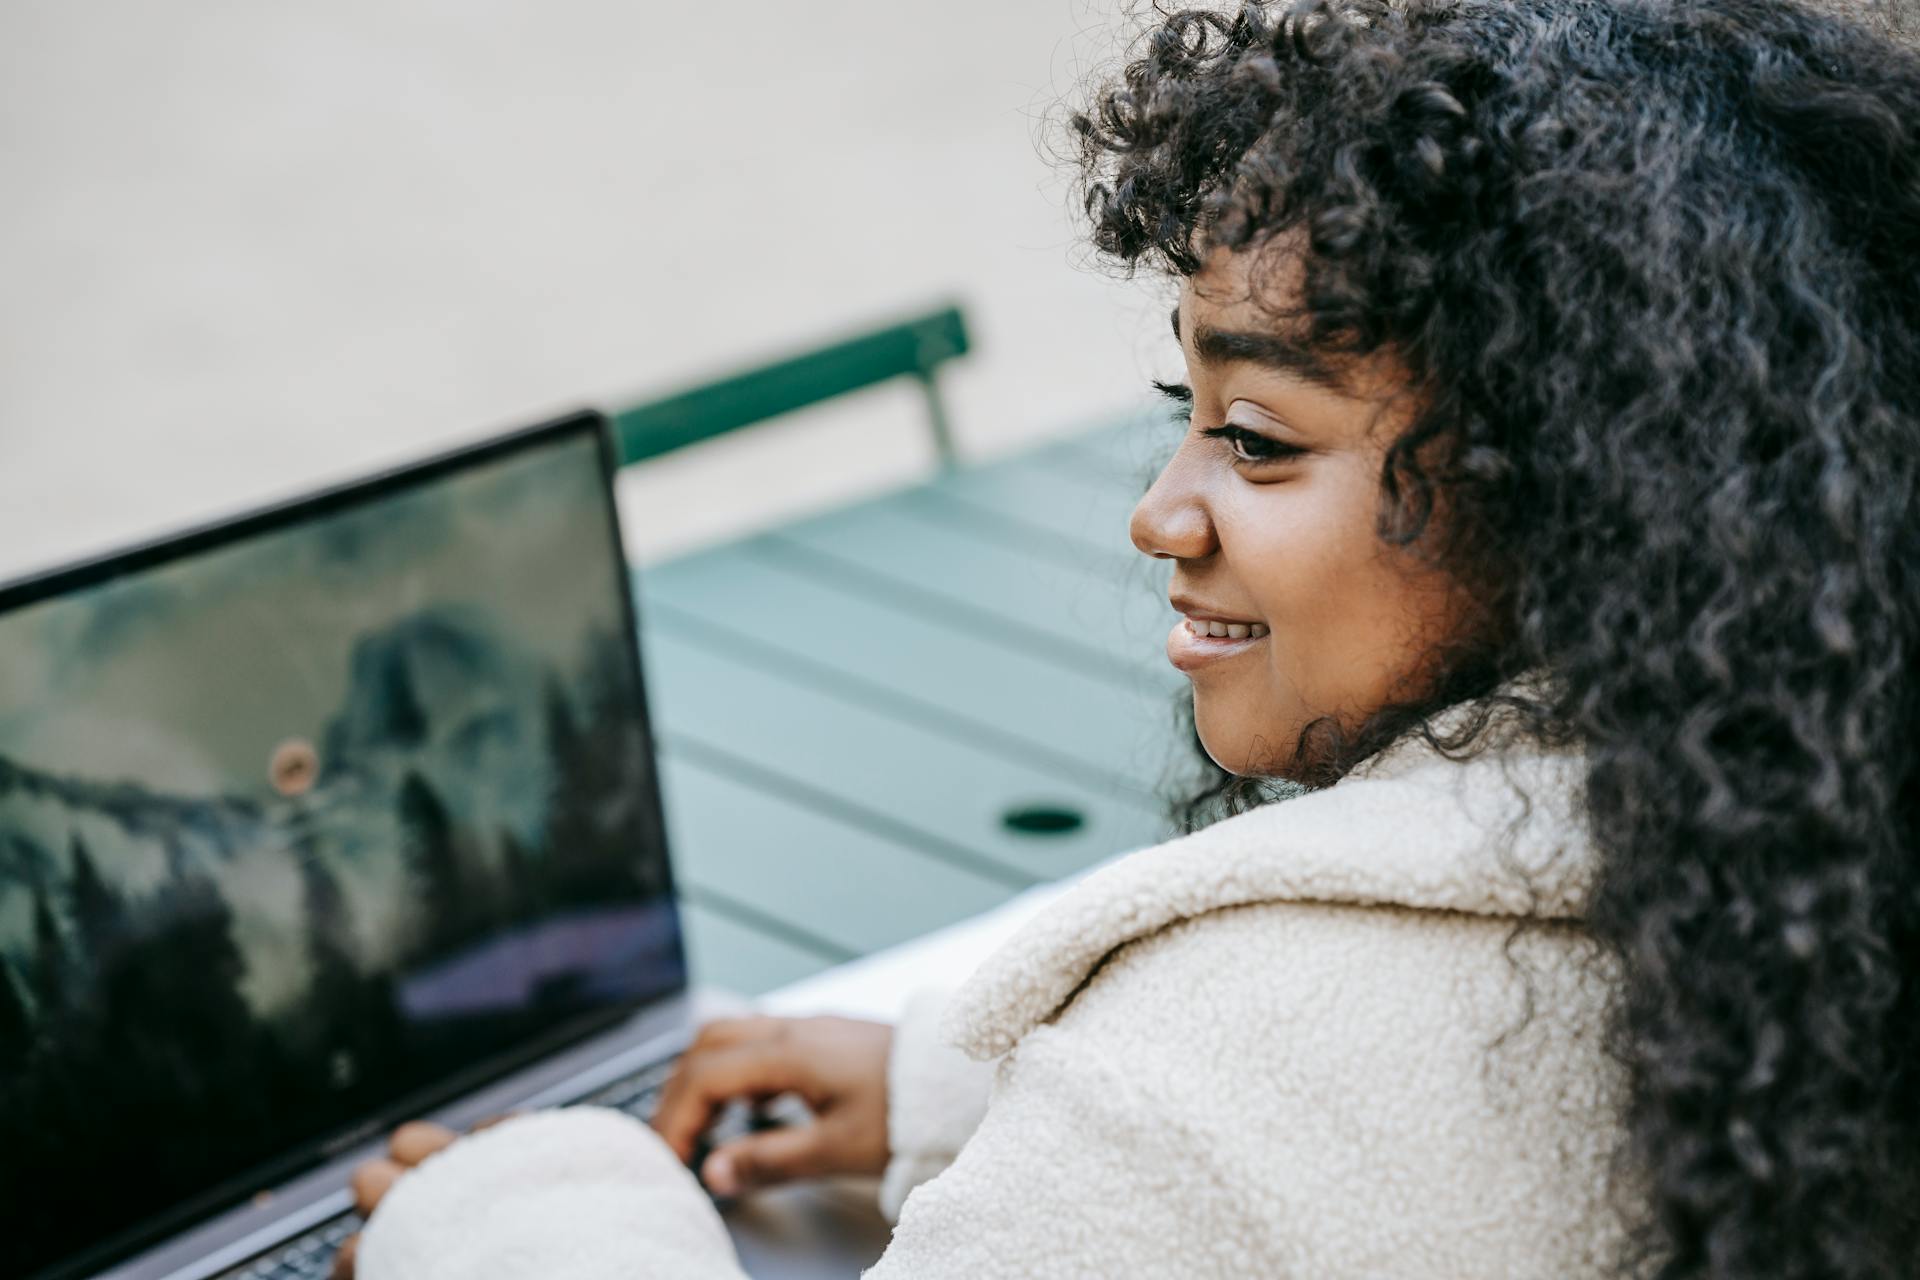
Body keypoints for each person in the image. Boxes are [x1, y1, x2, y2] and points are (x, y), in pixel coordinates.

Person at [333, 0, 1920, 1274]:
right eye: (1187, 414)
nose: (1160, 513)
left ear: (1574, 487)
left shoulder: (1208, 1097)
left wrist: (533, 1208)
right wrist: (969, 1085)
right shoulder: (1817, 844)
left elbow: (1258, 1131)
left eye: (1257, 436)